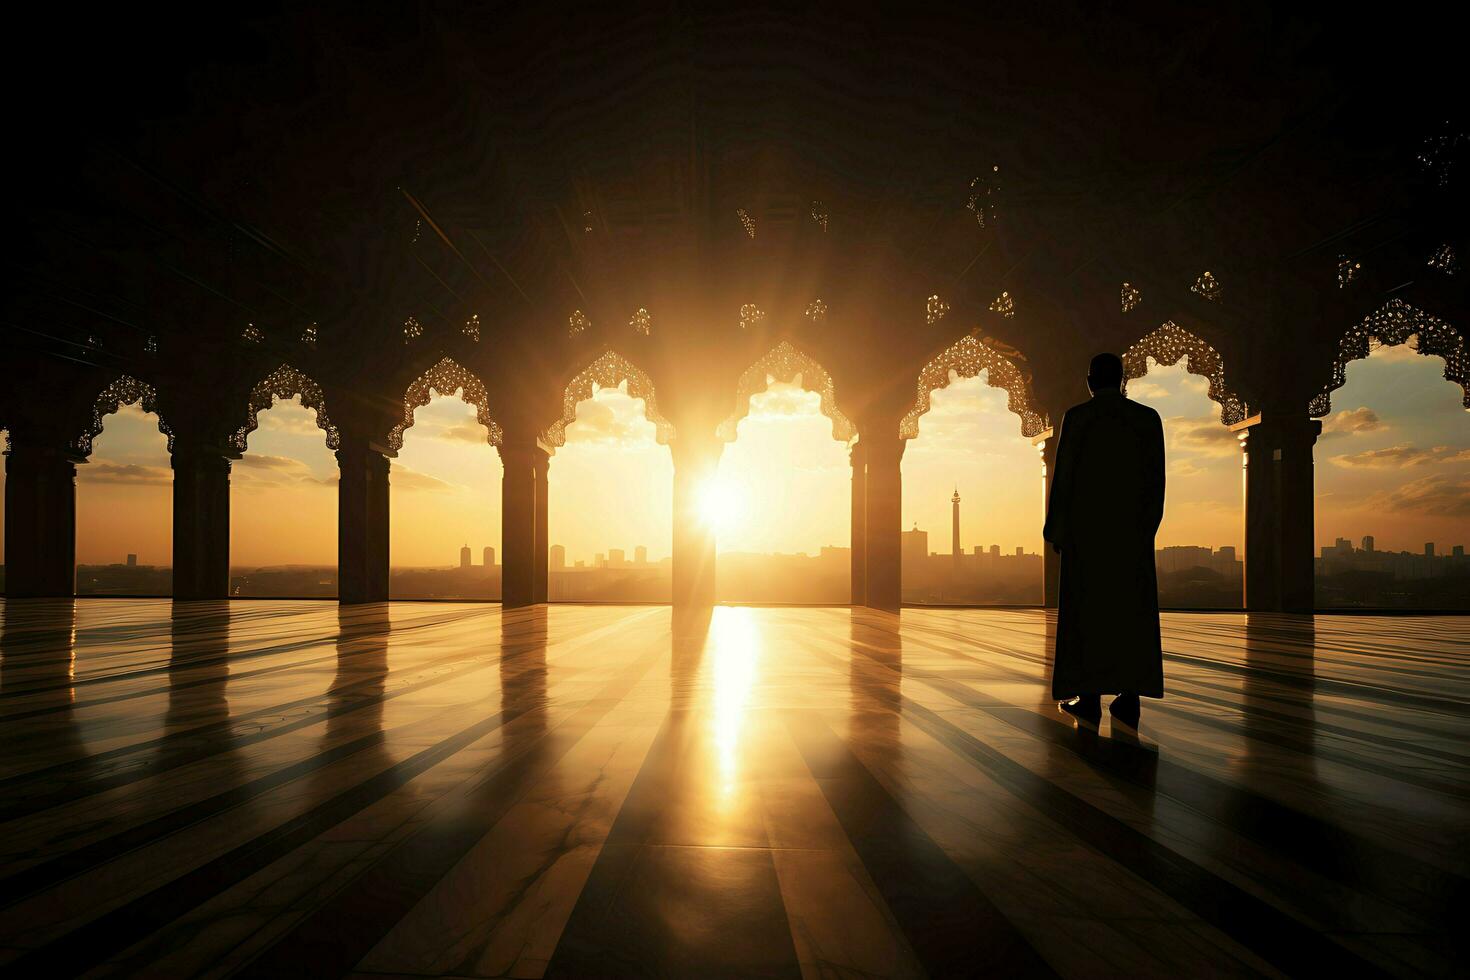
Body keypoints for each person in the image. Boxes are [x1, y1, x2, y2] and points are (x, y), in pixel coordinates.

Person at [1042, 352, 1165, 728]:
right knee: (1129, 614)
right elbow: (1155, 482)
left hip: (1088, 536)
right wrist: (1146, 530)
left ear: (1091, 381)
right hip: (1129, 536)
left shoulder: (1079, 418)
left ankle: (1089, 696)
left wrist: (1056, 531)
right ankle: (1129, 697)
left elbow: (1063, 479)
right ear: (1123, 380)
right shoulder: (1146, 419)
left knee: (1088, 615)